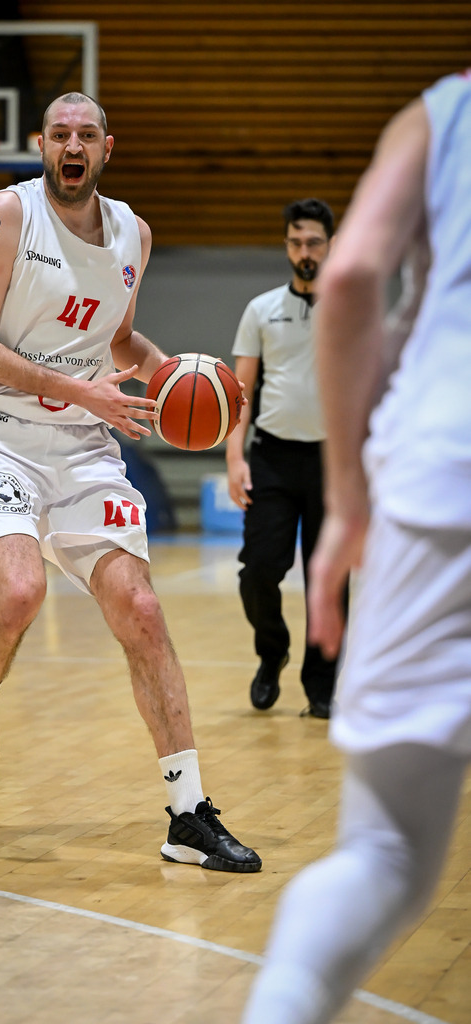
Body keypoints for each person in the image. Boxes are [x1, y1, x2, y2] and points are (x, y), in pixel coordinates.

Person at [0, 91, 261, 873]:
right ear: (41, 145)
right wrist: (82, 392)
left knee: (140, 609)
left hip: (80, 447)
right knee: (19, 594)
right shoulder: (1, 217)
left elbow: (113, 337)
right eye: (59, 134)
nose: (72, 145)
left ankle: (187, 815)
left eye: (85, 134)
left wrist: (181, 377)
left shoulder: (131, 233)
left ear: (106, 148)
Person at [241, 69, 471, 1024]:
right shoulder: (260, 308)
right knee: (261, 577)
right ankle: (276, 667)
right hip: (316, 458)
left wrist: (348, 500)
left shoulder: (446, 109)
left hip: (440, 473)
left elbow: (353, 278)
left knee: (386, 855)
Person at [226, 198, 345, 719]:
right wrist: (235, 459)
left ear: (331, 245)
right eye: (296, 243)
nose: (305, 252)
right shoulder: (261, 309)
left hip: (333, 463)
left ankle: (322, 686)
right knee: (257, 572)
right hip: (272, 458)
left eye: (314, 242)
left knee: (329, 580)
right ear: (287, 247)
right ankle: (271, 652)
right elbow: (240, 396)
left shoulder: (351, 307)